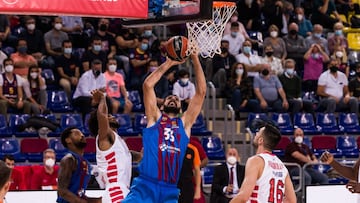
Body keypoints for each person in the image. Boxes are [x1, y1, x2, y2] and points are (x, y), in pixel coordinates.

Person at [123, 51, 206, 203]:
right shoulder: (155, 118)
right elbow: (148, 85)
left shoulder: (185, 124)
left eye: (176, 99)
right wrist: (169, 63)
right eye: (169, 98)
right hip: (145, 185)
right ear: (162, 106)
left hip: (169, 189)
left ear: (181, 108)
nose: (173, 99)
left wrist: (195, 58)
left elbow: (201, 92)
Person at [87, 89, 142, 202]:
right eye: (108, 116)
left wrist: (141, 156)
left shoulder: (116, 143)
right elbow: (101, 115)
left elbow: (127, 155)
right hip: (116, 191)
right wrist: (102, 99)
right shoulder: (104, 136)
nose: (111, 116)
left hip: (121, 191)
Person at [229, 122, 296, 203]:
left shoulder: (255, 161)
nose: (256, 134)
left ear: (261, 140)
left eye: (258, 132)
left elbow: (243, 196)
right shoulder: (282, 166)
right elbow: (291, 200)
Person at [57, 127, 101, 203]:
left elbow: (78, 195)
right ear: (68, 140)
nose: (82, 135)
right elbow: (62, 191)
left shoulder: (85, 163)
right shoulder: (69, 159)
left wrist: (97, 200)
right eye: (77, 134)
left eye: (82, 134)